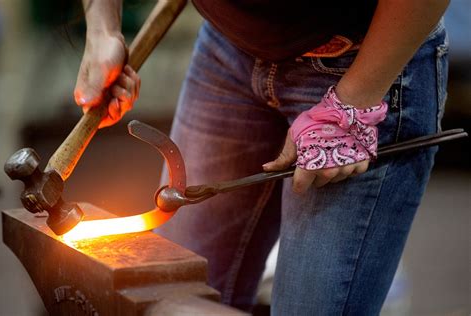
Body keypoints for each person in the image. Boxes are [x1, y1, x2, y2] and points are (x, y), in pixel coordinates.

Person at [75, 0, 450, 314]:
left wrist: (353, 103)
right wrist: (102, 29)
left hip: (362, 59)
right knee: (173, 296)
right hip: (227, 48)